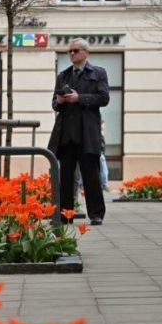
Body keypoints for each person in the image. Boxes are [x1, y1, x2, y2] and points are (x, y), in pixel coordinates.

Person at [47, 37, 109, 226]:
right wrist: (60, 101)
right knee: (65, 178)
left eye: (76, 51)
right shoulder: (63, 75)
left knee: (91, 175)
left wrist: (79, 98)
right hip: (66, 133)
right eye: (70, 51)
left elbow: (104, 98)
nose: (72, 54)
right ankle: (66, 215)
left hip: (87, 133)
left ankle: (96, 214)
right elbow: (54, 104)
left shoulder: (98, 73)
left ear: (85, 53)